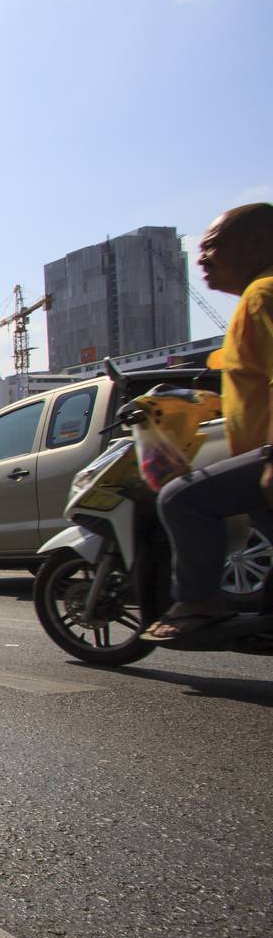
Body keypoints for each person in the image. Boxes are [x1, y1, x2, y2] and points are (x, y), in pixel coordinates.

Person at [142, 203, 273, 643]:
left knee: (182, 498)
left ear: (258, 241)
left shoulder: (263, 295)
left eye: (213, 246)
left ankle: (199, 602)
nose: (201, 258)